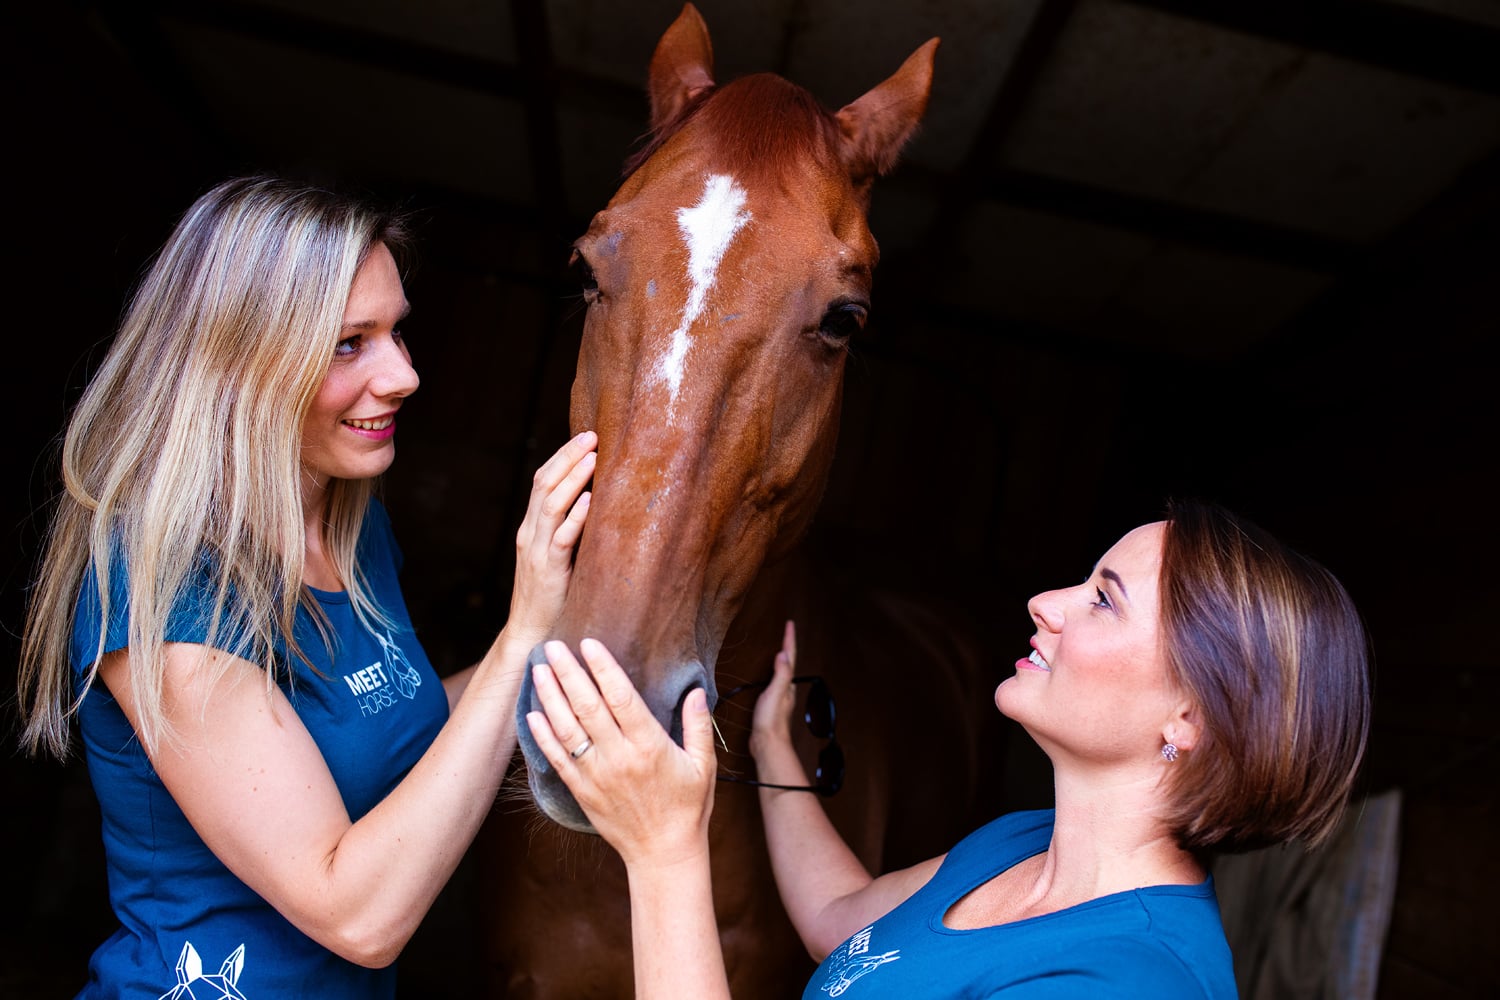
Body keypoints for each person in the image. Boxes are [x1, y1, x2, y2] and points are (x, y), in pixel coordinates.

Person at [15, 175, 597, 999]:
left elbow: (406, 724)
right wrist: (525, 628)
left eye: (397, 332)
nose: (403, 375)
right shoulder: (168, 583)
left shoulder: (357, 533)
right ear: (242, 359)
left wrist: (567, 639)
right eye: (348, 342)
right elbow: (359, 916)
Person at [523, 500, 1371, 998]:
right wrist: (775, 745)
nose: (1046, 601)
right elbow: (842, 920)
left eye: (1103, 601)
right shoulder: (1021, 845)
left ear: (1190, 718)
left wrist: (664, 851)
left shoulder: (1127, 980)